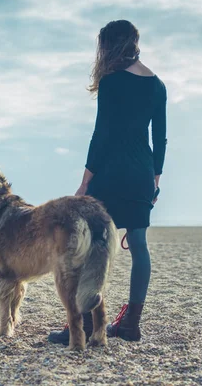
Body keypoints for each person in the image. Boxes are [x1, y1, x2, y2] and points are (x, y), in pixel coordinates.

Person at [48, 20, 167, 344]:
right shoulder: (158, 85)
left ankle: (83, 324)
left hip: (112, 172)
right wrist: (155, 178)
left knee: (89, 247)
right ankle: (130, 325)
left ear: (109, 46)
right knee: (139, 245)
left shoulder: (112, 81)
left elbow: (102, 134)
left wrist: (86, 182)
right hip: (141, 173)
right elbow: (160, 137)